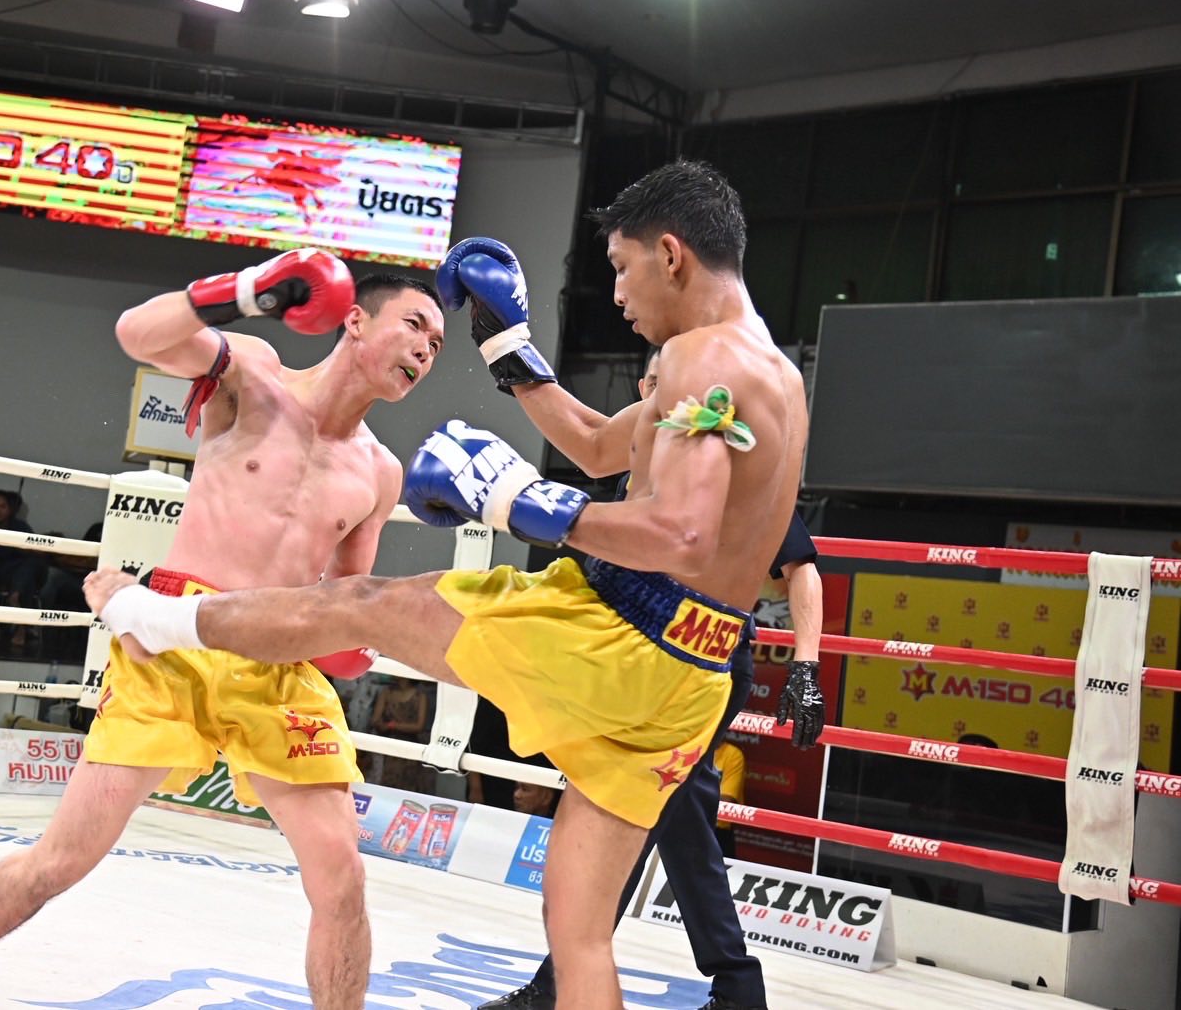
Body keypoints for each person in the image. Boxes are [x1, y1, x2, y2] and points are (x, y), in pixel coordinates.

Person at [85, 160, 811, 1006]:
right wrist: (506, 345)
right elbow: (596, 447)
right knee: (579, 935)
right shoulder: (776, 374)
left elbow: (678, 534)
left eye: (621, 267)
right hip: (694, 674)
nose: (617, 293)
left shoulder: (696, 357)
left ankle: (153, 617)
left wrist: (516, 503)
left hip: (618, 635)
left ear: (671, 254)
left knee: (363, 603)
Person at [0, 250, 446, 1010]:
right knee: (60, 862)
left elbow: (342, 597)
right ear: (355, 320)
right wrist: (248, 291)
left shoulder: (380, 471)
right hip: (170, 644)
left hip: (275, 655)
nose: (425, 350)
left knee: (342, 877)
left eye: (438, 344)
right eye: (415, 325)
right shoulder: (256, 375)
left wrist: (357, 641)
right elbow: (138, 335)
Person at [477, 347, 828, 1010]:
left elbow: (800, 566)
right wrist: (509, 355)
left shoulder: (723, 460)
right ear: (643, 390)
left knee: (646, 805)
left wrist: (806, 665)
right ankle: (728, 987)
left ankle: (698, 984)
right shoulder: (637, 466)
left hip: (705, 656)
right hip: (637, 659)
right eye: (659, 383)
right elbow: (587, 443)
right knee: (654, 809)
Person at [0, 489, 46, 652]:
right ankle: (22, 625)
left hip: (24, 569)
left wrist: (23, 546)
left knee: (30, 565)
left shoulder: (19, 526)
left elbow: (37, 549)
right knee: (27, 579)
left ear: (9, 508)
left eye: (3, 507)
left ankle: (15, 597)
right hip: (1, 571)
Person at [369, 676, 433, 795]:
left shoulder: (420, 696)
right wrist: (382, 726)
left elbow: (419, 726)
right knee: (383, 784)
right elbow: (375, 720)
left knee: (407, 786)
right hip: (387, 746)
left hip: (410, 748)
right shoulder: (386, 692)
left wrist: (392, 725)